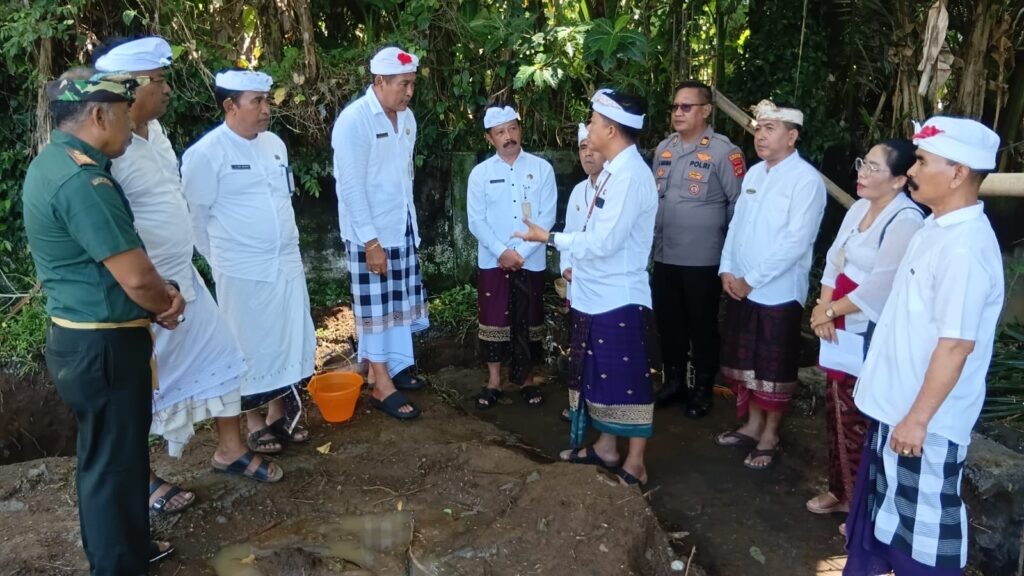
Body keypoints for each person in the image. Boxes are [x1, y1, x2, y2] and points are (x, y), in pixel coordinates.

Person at [96, 38, 283, 494]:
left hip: (182, 275)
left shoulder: (155, 132)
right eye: (158, 80)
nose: (167, 89)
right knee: (140, 385)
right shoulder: (107, 146)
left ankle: (230, 449)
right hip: (142, 287)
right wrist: (149, 289)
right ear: (128, 86)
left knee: (223, 354)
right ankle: (140, 479)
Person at [22, 67, 184, 574]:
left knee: (115, 458)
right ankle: (117, 566)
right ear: (97, 115)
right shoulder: (83, 181)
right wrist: (165, 301)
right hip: (103, 346)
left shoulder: (55, 162)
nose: (130, 123)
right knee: (112, 464)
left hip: (85, 339)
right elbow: (135, 277)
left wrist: (155, 295)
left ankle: (129, 551)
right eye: (122, 113)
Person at [844, 117, 1004, 576]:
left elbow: (956, 346)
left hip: (923, 422)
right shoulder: (936, 227)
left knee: (923, 538)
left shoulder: (964, 247)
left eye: (921, 161)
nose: (911, 170)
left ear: (958, 174)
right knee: (889, 521)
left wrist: (917, 420)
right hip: (900, 407)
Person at [515, 88, 658, 488]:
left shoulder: (630, 177)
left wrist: (549, 238)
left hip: (619, 297)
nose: (589, 128)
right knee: (600, 377)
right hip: (595, 295)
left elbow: (604, 242)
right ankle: (607, 448)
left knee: (627, 380)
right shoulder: (613, 172)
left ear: (611, 129)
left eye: (593, 121)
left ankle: (636, 463)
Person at [181, 70, 316, 455]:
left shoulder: (275, 145)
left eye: (267, 100)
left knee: (288, 339)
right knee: (248, 346)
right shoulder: (206, 153)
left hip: (286, 264)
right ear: (230, 105)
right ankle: (254, 421)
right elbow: (195, 219)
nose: (266, 108)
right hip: (241, 270)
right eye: (256, 101)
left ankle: (279, 415)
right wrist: (222, 260)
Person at [804, 139, 922, 518]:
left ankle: (861, 506)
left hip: (871, 329)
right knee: (836, 408)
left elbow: (880, 287)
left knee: (860, 415)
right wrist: (822, 309)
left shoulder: (905, 220)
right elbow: (834, 260)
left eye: (874, 168)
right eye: (863, 163)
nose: (863, 173)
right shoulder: (859, 208)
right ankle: (839, 489)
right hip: (838, 322)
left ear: (900, 180)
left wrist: (830, 310)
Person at [715, 100, 826, 470]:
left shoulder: (806, 180)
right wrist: (727, 269)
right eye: (759, 128)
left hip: (777, 292)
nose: (760, 136)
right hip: (741, 285)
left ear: (792, 137)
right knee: (747, 361)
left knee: (772, 367)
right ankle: (751, 425)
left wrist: (751, 280)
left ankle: (770, 435)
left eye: (770, 129)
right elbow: (737, 225)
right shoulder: (754, 174)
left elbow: (796, 242)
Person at [331, 46, 429, 420]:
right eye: (403, 84)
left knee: (396, 304)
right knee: (375, 309)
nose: (409, 92)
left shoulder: (407, 118)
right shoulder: (354, 121)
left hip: (400, 224)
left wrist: (409, 227)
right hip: (368, 233)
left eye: (412, 84)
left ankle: (389, 366)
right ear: (379, 81)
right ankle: (381, 385)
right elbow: (351, 187)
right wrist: (370, 242)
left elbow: (404, 177)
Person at [651, 80, 744, 418]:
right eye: (675, 106)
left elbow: (738, 206)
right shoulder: (664, 149)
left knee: (702, 325)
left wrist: (730, 253)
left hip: (703, 258)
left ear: (705, 111)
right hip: (664, 254)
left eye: (686, 107)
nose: (678, 112)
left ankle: (703, 387)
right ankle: (674, 381)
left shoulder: (724, 152)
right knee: (669, 322)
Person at [467, 104, 556, 409]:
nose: (508, 137)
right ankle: (494, 381)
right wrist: (502, 251)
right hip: (493, 260)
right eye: (500, 132)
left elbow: (547, 216)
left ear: (520, 129)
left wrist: (519, 253)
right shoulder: (480, 174)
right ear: (489, 138)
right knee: (494, 319)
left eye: (513, 129)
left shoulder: (542, 169)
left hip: (531, 259)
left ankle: (527, 380)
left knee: (529, 318)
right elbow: (476, 220)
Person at [557, 123, 606, 421]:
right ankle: (579, 403)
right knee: (579, 348)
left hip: (603, 287)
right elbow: (568, 234)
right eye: (582, 148)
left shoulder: (617, 188)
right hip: (578, 285)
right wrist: (565, 267)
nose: (588, 154)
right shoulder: (578, 191)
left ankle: (602, 406)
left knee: (603, 351)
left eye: (593, 147)